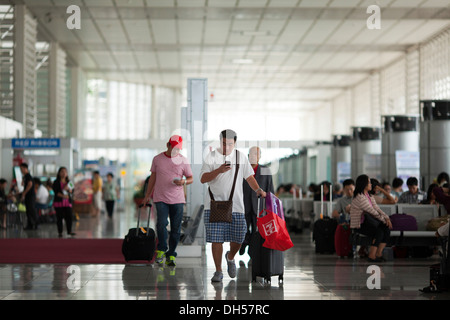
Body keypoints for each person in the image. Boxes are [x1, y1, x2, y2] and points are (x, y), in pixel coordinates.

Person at [200, 129, 266, 282]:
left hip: (236, 206)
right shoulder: (211, 157)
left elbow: (249, 177)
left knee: (239, 236)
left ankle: (230, 257)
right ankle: (218, 271)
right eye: (224, 143)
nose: (226, 147)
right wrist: (218, 170)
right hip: (214, 204)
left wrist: (258, 189)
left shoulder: (240, 157)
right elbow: (203, 179)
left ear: (234, 143)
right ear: (220, 141)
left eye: (230, 144)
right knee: (217, 239)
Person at [141, 135, 193, 267]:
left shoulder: (183, 160)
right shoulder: (157, 159)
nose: (176, 151)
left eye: (178, 149)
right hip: (160, 198)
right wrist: (147, 194)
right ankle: (161, 249)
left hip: (178, 199)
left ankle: (171, 254)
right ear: (168, 145)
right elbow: (153, 177)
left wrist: (184, 182)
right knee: (161, 224)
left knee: (176, 228)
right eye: (174, 148)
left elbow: (191, 178)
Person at [350, 174, 392, 262]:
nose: (371, 185)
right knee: (379, 231)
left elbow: (376, 208)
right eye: (369, 183)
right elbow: (372, 211)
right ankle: (372, 255)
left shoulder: (369, 196)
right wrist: (384, 220)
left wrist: (387, 218)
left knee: (386, 228)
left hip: (367, 222)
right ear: (364, 184)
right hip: (359, 225)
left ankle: (378, 254)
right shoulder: (359, 197)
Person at [241, 146, 274, 255]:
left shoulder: (265, 170)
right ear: (248, 156)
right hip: (244, 205)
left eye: (256, 154)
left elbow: (270, 189)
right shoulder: (243, 170)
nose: (254, 156)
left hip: (260, 207)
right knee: (243, 230)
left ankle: (252, 251)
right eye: (251, 154)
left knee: (257, 232)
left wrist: (270, 208)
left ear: (259, 157)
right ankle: (245, 242)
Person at [53, 167, 75, 237]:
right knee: (59, 218)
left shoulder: (69, 182)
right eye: (62, 172)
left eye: (65, 172)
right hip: (59, 202)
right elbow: (56, 192)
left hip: (67, 202)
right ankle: (60, 232)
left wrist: (69, 191)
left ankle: (69, 231)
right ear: (59, 173)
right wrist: (63, 195)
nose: (64, 173)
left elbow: (72, 191)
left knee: (69, 217)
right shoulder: (56, 182)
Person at [20, 163, 38, 230]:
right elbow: (23, 185)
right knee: (28, 211)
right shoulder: (25, 177)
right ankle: (30, 225)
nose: (21, 171)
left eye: (21, 169)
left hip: (30, 196)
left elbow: (30, 184)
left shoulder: (28, 176)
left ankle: (37, 223)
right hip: (28, 196)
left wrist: (24, 193)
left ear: (25, 168)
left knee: (31, 210)